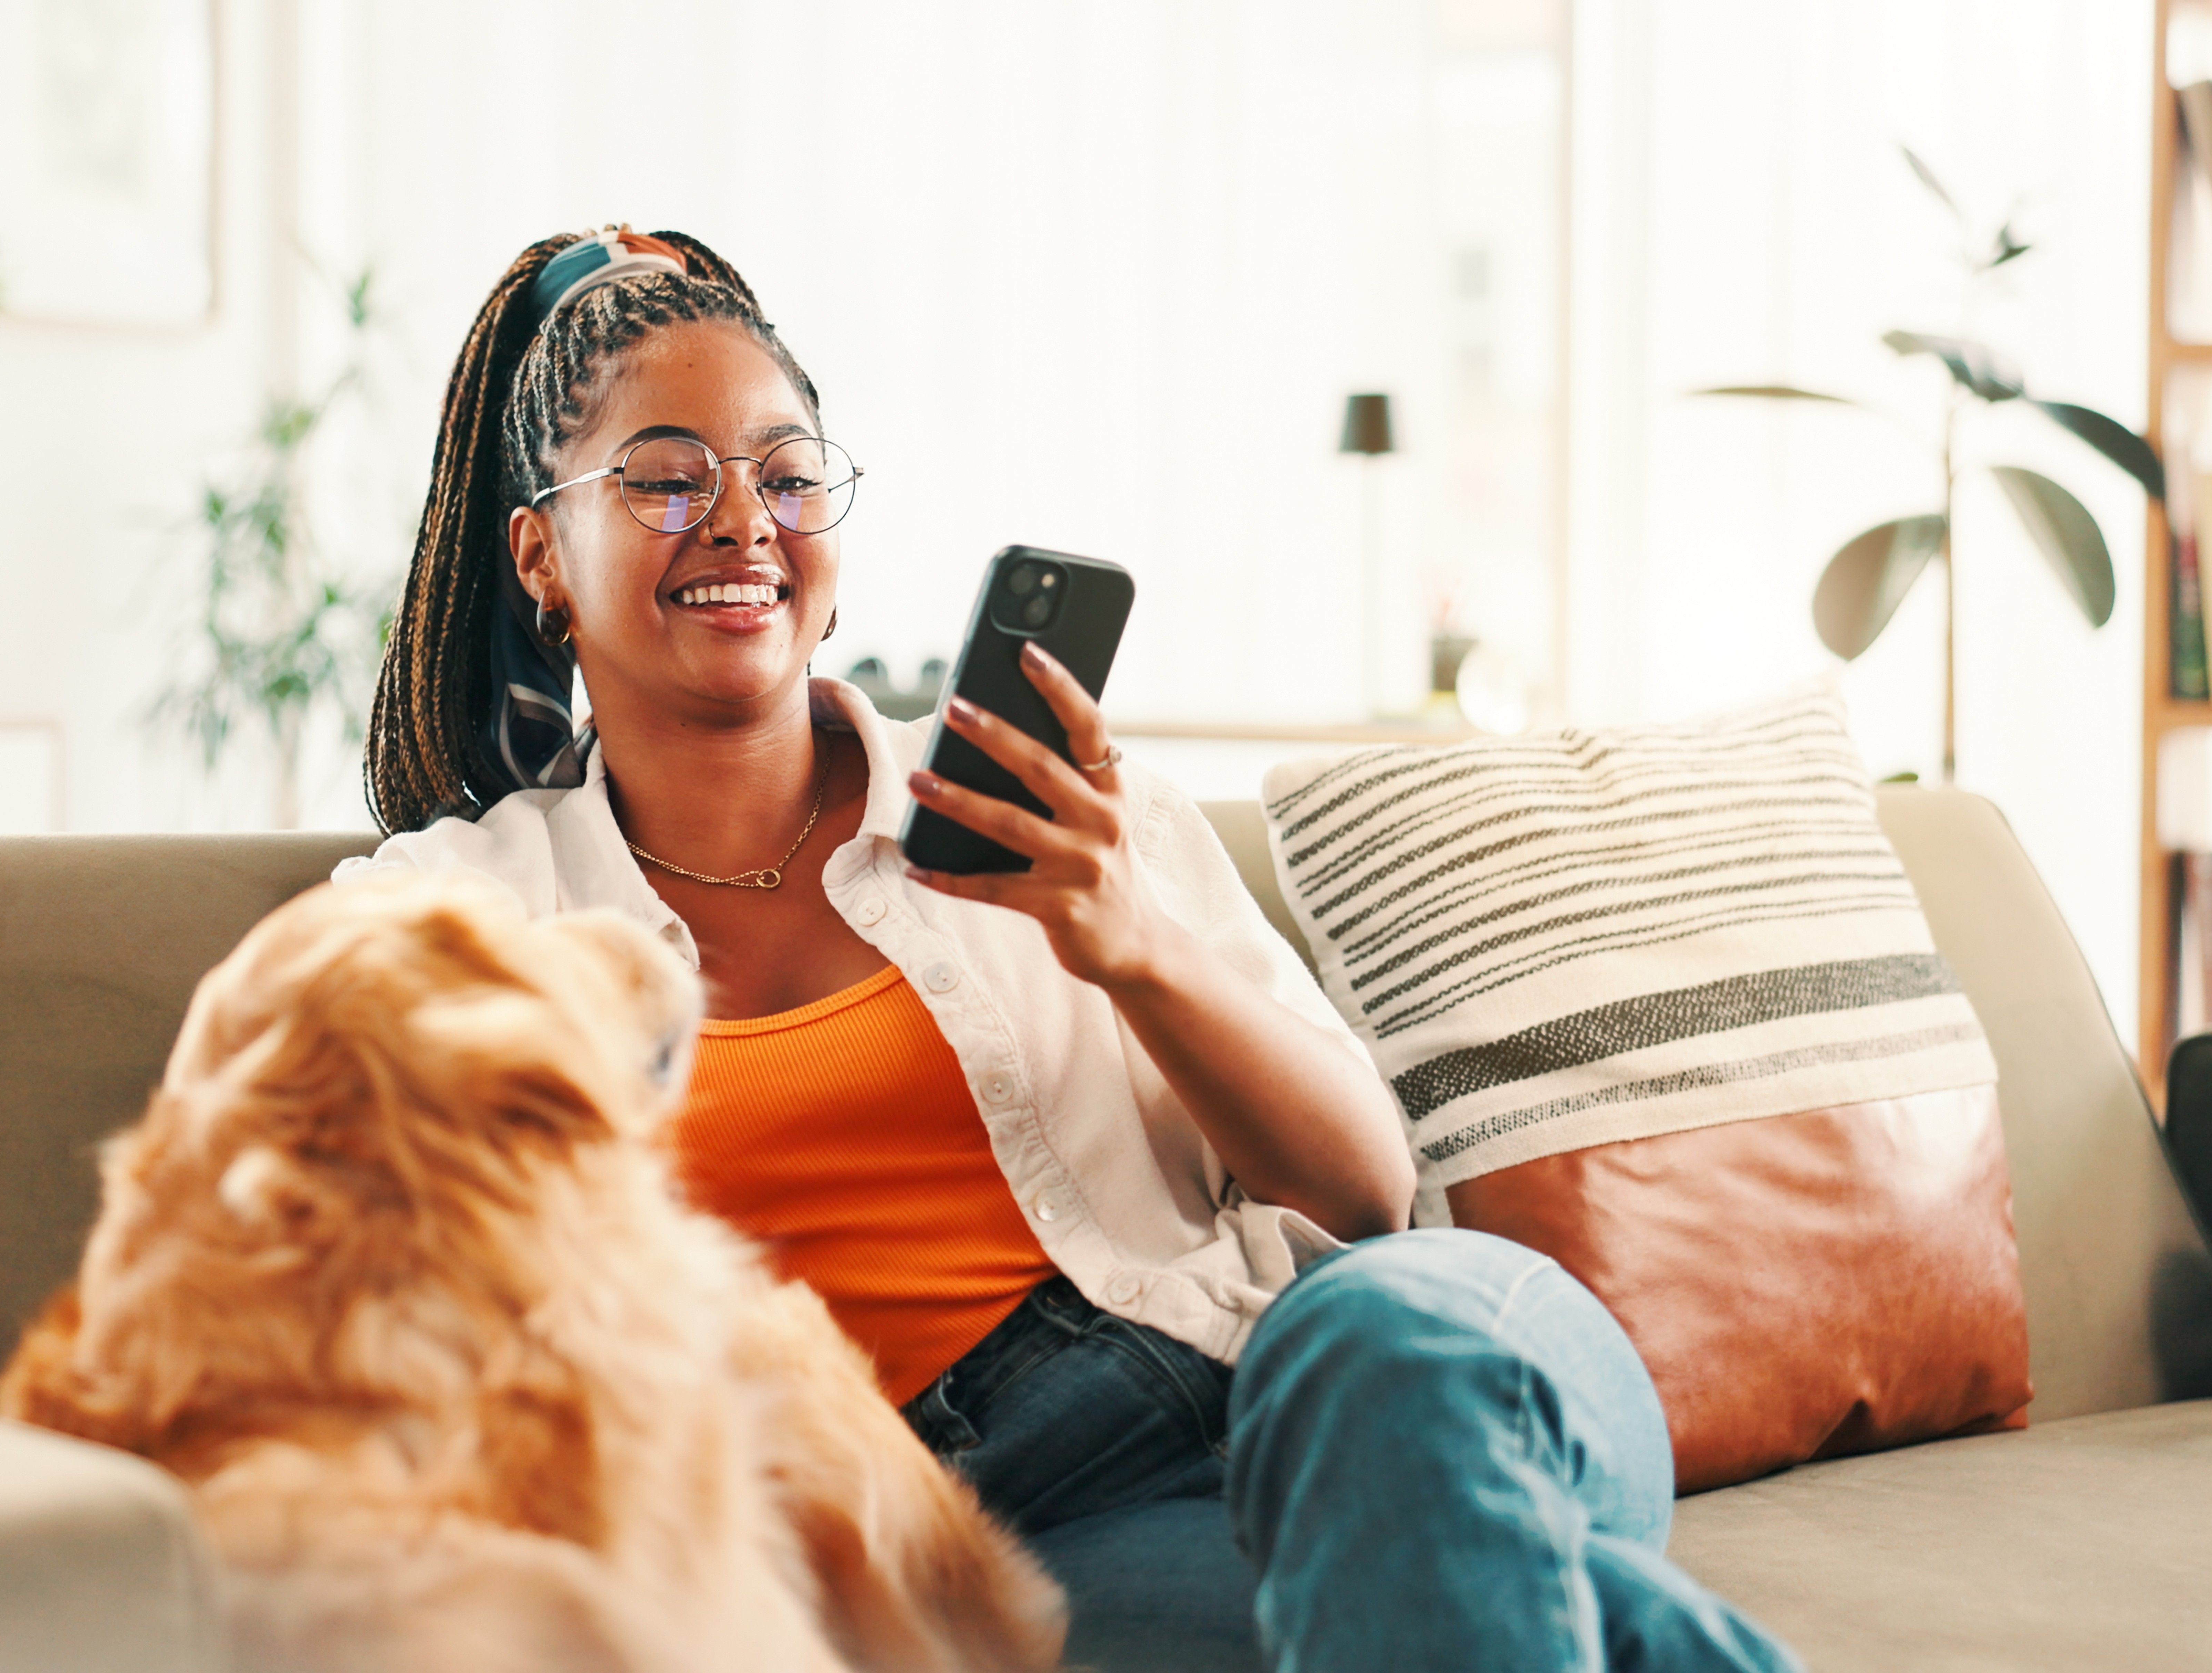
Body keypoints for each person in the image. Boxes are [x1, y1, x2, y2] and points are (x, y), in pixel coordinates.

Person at [341, 226, 1801, 1673]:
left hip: (1324, 1362)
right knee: (1486, 1596)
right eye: (667, 479)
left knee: (1393, 1372)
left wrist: (1131, 945)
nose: (742, 522)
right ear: (540, 552)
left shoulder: (1060, 804)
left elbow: (1366, 1196)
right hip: (1013, 1534)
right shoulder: (454, 923)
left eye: (787, 475)